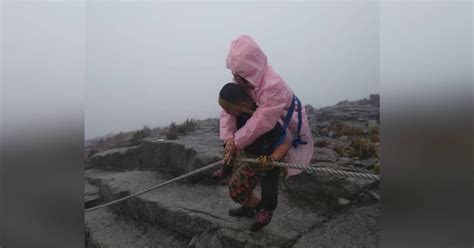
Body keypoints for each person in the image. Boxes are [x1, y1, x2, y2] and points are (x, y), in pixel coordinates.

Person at [220, 35, 314, 177]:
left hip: (284, 116)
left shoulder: (273, 85)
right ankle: (253, 161)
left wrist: (236, 140)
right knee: (261, 133)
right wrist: (228, 138)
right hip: (266, 118)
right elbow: (229, 108)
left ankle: (271, 161)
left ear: (250, 67)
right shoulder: (243, 78)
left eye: (238, 73)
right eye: (234, 72)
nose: (235, 77)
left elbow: (263, 120)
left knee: (284, 139)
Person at [217, 83, 292, 232]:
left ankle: (266, 211)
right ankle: (251, 208)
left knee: (268, 186)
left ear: (241, 104)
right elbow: (232, 138)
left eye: (227, 108)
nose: (225, 112)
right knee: (236, 188)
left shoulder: (266, 116)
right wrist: (229, 149)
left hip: (268, 158)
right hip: (251, 158)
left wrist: (273, 158)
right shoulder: (236, 117)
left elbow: (286, 141)